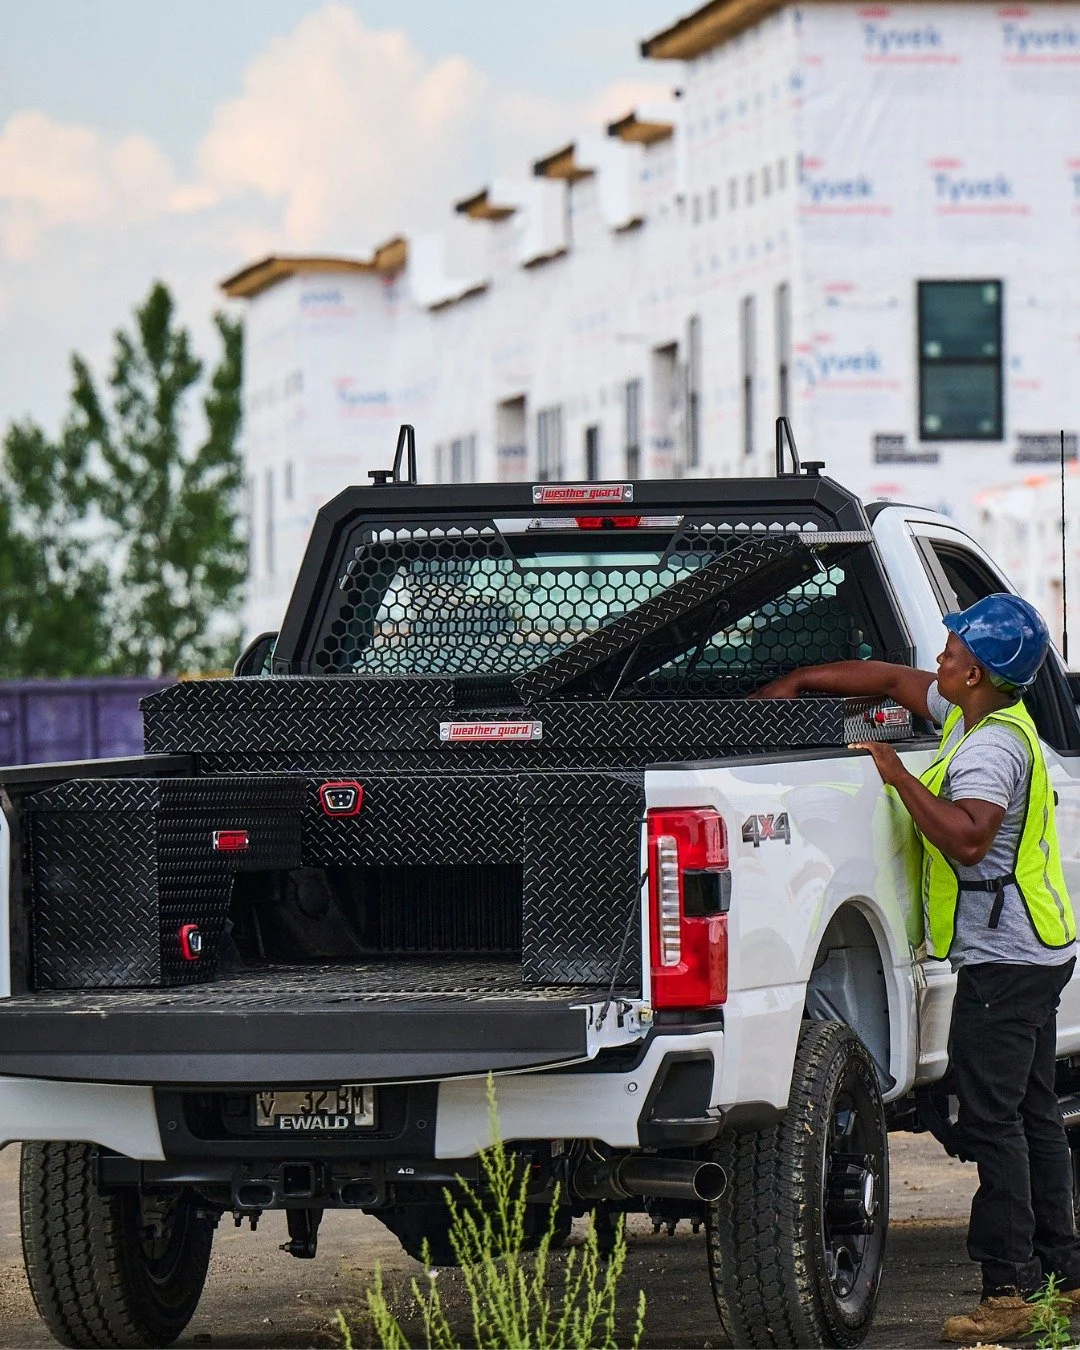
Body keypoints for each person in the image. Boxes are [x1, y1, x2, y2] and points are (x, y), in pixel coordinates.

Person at [754, 593, 1080, 1344]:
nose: (939, 659)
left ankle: (1010, 1291)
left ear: (979, 674)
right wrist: (804, 681)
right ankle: (1061, 1275)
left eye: (953, 651)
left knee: (995, 1123)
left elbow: (968, 839)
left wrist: (899, 777)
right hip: (1033, 951)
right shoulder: (980, 711)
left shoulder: (994, 748)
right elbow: (894, 681)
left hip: (1006, 961)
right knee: (1033, 1117)